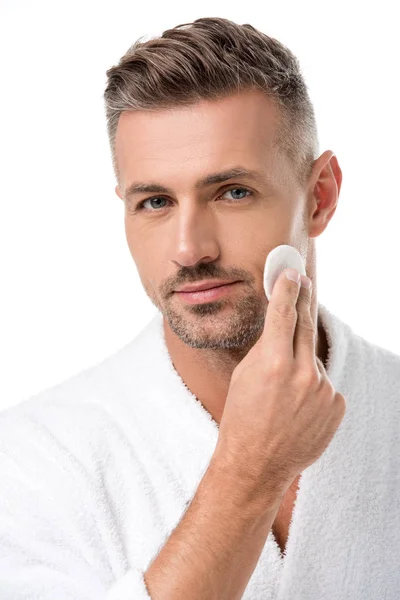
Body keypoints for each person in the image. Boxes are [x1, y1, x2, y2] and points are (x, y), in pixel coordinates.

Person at [1, 16, 399, 600]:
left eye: (233, 192)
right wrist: (250, 470)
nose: (189, 249)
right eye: (155, 201)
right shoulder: (32, 462)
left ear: (320, 197)